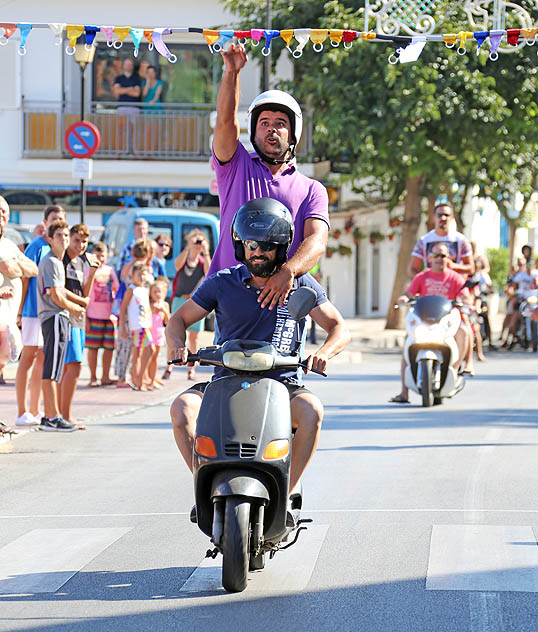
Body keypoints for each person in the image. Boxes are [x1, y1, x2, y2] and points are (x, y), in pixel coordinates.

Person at [167, 199, 350, 494]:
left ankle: (286, 493)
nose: (258, 252)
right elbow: (178, 319)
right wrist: (176, 345)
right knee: (181, 410)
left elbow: (339, 328)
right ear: (241, 245)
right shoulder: (221, 283)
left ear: (281, 247)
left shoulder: (302, 284)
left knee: (312, 412)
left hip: (282, 385)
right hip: (225, 383)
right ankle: (205, 484)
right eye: (252, 244)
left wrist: (323, 353)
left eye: (267, 245)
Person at [210, 43, 329, 309]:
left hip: (285, 299)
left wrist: (287, 274)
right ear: (254, 131)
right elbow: (225, 121)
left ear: (293, 133)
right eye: (264, 123)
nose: (271, 130)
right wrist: (232, 72)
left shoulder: (312, 190)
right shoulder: (235, 166)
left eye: (280, 123)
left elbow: (316, 240)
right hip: (231, 297)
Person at [390, 242, 471, 404]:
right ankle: (404, 392)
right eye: (436, 255)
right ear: (429, 258)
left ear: (448, 258)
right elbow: (409, 293)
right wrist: (403, 299)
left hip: (446, 322)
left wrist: (466, 300)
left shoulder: (455, 277)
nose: (439, 259)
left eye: (443, 255)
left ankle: (453, 372)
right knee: (409, 340)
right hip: (424, 321)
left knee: (464, 332)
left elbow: (465, 295)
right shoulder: (422, 277)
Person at [15, 204, 65, 427]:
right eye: (54, 218)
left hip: (48, 311)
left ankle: (35, 409)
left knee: (43, 359)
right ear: (45, 222)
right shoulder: (36, 246)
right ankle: (22, 410)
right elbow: (24, 277)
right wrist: (19, 308)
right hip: (31, 310)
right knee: (28, 357)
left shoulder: (56, 250)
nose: (57, 221)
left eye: (61, 218)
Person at [37, 220, 85, 432]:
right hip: (55, 316)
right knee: (52, 369)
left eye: (66, 235)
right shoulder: (52, 262)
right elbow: (55, 294)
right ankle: (51, 416)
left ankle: (52, 415)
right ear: (50, 239)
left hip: (56, 317)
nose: (64, 239)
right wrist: (74, 309)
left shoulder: (56, 262)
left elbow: (60, 291)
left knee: (54, 368)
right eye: (59, 236)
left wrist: (77, 304)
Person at [59, 225, 99, 426]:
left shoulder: (79, 262)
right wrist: (80, 302)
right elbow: (57, 288)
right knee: (73, 366)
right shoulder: (62, 259)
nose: (81, 245)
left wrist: (92, 273)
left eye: (84, 241)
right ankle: (63, 415)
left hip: (79, 318)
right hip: (67, 316)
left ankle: (63, 413)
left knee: (71, 367)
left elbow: (85, 294)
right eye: (77, 240)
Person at [167, 229, 211, 381]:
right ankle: (169, 366)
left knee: (194, 337)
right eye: (195, 241)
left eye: (200, 241)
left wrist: (205, 252)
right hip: (180, 299)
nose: (197, 244)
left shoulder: (202, 261)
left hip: (196, 301)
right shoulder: (185, 258)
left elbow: (209, 272)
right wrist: (188, 248)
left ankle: (191, 370)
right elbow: (177, 266)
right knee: (174, 333)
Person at [86, 242, 119, 387]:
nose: (100, 258)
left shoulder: (110, 270)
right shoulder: (88, 270)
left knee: (109, 348)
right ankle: (93, 377)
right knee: (93, 348)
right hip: (93, 315)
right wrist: (85, 316)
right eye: (97, 255)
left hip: (109, 316)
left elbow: (116, 289)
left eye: (103, 255)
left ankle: (105, 376)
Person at [119, 262, 154, 391]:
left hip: (145, 325)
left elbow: (147, 308)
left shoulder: (144, 290)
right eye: (139, 274)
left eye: (144, 274)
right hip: (137, 326)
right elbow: (123, 309)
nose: (142, 277)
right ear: (132, 275)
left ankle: (139, 379)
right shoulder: (131, 290)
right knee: (148, 349)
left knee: (140, 352)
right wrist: (122, 326)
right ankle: (138, 379)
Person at [148, 280, 170, 389]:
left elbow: (168, 321)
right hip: (150, 334)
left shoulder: (165, 305)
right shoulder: (148, 305)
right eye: (154, 292)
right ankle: (147, 378)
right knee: (148, 356)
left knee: (155, 357)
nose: (157, 294)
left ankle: (153, 378)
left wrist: (164, 311)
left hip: (159, 334)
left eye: (159, 292)